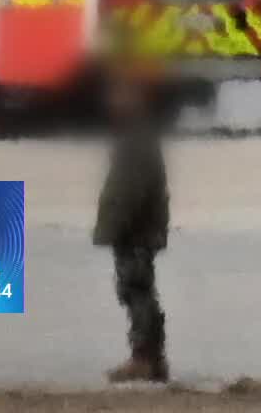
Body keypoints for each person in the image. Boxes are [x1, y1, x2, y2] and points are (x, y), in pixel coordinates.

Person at [92, 64, 172, 382]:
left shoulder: (137, 137)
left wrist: (113, 226)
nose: (113, 99)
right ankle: (152, 357)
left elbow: (130, 190)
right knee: (138, 290)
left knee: (135, 289)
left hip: (136, 229)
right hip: (137, 227)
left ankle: (144, 358)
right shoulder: (135, 133)